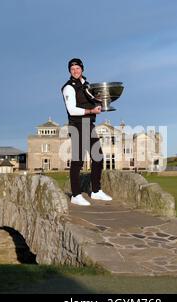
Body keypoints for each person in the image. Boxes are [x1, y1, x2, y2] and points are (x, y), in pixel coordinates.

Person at [62, 58, 112, 206]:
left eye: (77, 68)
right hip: (76, 125)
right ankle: (75, 195)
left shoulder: (88, 85)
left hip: (88, 124)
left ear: (82, 69)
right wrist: (91, 110)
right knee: (78, 161)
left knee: (98, 157)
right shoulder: (68, 87)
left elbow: (93, 100)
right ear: (70, 71)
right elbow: (72, 109)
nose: (75, 71)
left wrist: (100, 104)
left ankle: (96, 191)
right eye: (72, 69)